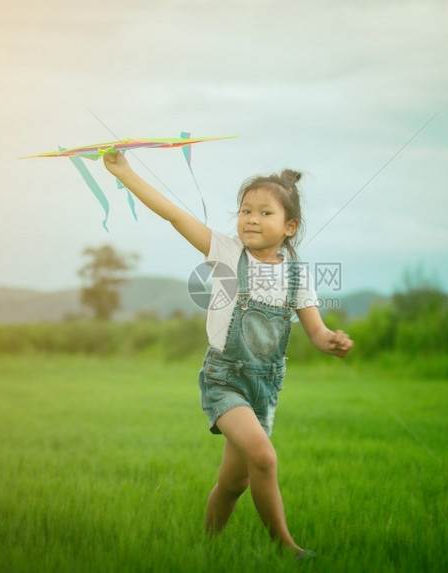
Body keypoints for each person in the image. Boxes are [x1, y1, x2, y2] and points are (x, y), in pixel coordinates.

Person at [103, 150, 353, 560]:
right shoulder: (225, 251)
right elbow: (174, 215)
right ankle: (287, 547)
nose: (251, 219)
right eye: (245, 210)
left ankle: (208, 548)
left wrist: (333, 342)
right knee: (263, 457)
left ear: (289, 227)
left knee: (234, 484)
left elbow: (316, 331)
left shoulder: (297, 275)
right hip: (225, 380)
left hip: (264, 388)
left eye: (264, 213)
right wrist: (125, 172)